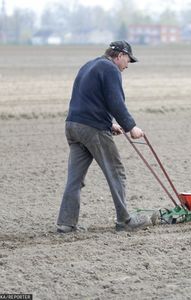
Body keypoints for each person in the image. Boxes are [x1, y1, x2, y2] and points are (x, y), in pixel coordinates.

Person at [56, 41, 151, 233]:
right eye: (128, 60)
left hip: (73, 126)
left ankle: (66, 223)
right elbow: (115, 102)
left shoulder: (89, 65)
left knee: (75, 179)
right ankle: (125, 220)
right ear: (120, 55)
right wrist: (131, 127)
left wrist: (109, 125)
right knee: (116, 171)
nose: (127, 65)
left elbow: (90, 99)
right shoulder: (110, 69)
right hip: (92, 128)